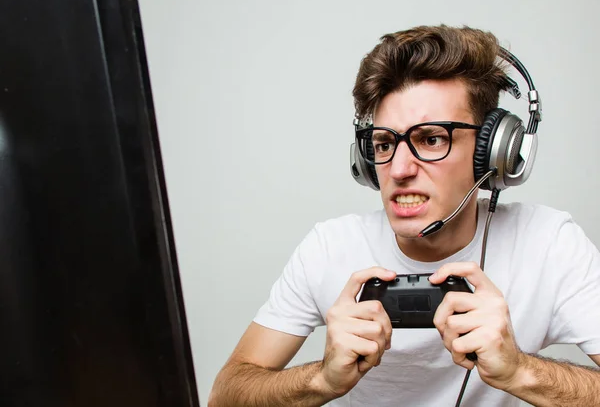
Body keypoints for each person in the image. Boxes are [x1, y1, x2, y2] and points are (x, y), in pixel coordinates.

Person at [208, 25, 600, 406]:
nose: (398, 170)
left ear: (493, 153)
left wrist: (519, 372)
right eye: (383, 143)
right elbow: (224, 395)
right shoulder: (330, 247)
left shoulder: (549, 243)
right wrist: (321, 380)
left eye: (431, 139)